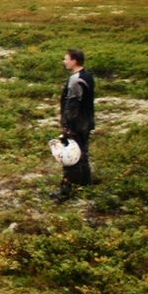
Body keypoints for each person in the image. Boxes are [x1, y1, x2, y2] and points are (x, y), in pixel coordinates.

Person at [55, 47, 95, 201]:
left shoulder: (75, 80)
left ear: (74, 60)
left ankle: (66, 191)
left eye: (66, 59)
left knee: (70, 158)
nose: (64, 61)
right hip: (86, 122)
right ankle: (85, 185)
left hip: (77, 124)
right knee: (83, 155)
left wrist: (67, 127)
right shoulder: (88, 76)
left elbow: (72, 106)